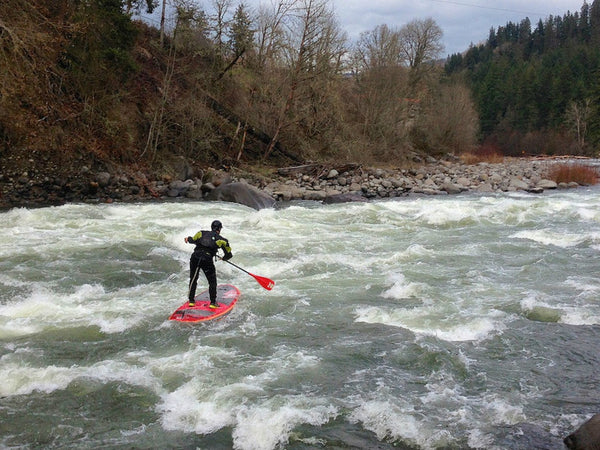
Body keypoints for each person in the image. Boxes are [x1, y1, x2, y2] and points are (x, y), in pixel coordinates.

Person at [185, 220, 233, 308]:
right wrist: (224, 258)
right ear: (219, 229)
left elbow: (193, 240)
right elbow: (229, 254)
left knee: (193, 279)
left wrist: (188, 238)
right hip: (206, 259)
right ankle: (213, 303)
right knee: (212, 282)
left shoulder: (201, 233)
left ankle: (191, 301)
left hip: (195, 257)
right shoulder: (222, 240)